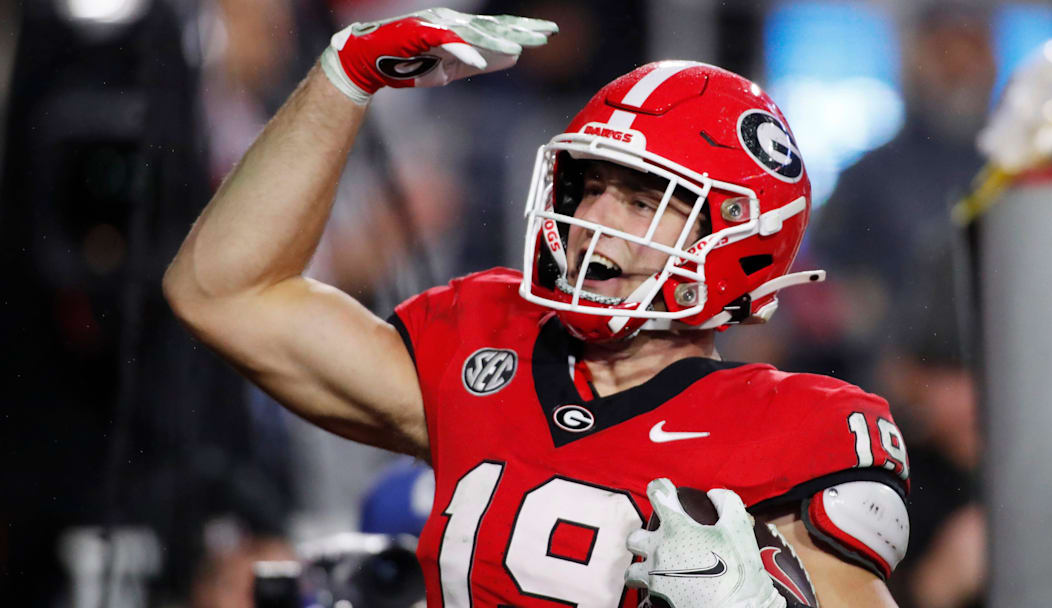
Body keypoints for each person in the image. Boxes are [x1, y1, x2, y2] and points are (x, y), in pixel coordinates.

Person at [163, 8, 911, 607]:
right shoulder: (492, 343)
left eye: (645, 200)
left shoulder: (795, 431)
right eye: (591, 185)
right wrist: (345, 77)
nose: (596, 220)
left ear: (738, 240)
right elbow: (224, 292)